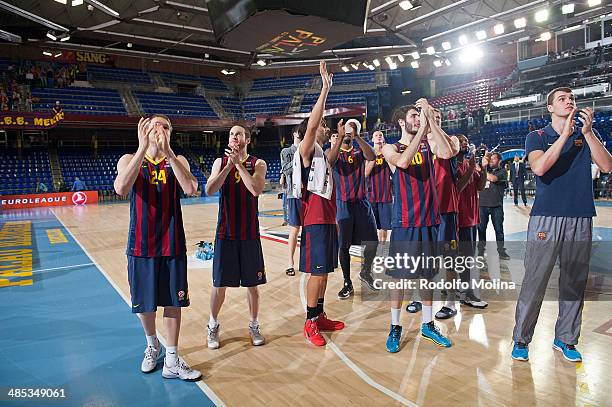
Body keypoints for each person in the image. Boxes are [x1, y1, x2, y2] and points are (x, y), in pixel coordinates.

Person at [512, 87, 612, 362]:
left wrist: (588, 132)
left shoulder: (586, 135)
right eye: (562, 99)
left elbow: (606, 166)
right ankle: (521, 339)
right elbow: (540, 168)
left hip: (580, 216)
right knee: (535, 280)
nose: (570, 102)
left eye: (572, 99)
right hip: (547, 217)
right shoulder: (538, 136)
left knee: (574, 282)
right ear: (550, 108)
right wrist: (565, 135)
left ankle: (565, 339)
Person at [113, 115, 201, 380]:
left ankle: (172, 359)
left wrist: (170, 153)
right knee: (145, 305)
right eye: (153, 125)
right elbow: (120, 188)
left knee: (174, 302)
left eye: (164, 126)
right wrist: (141, 148)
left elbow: (191, 188)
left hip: (172, 243)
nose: (158, 129)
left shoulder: (178, 161)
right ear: (144, 131)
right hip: (140, 244)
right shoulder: (129, 159)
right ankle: (152, 344)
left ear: (170, 132)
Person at [382, 99, 454, 353]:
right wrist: (423, 129)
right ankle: (395, 326)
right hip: (404, 222)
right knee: (400, 278)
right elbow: (401, 162)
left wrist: (431, 121)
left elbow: (447, 153)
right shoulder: (391, 147)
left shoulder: (430, 144)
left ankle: (427, 324)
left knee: (428, 276)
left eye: (418, 115)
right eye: (413, 116)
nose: (417, 119)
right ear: (402, 122)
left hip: (429, 221)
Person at [294, 61, 344, 346]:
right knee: (316, 272)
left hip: (327, 218)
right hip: (313, 218)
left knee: (324, 270)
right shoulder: (306, 148)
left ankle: (320, 314)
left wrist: (336, 140)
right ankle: (309, 322)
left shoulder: (321, 156)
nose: (324, 128)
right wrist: (324, 90)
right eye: (323, 126)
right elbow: (312, 124)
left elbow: (332, 159)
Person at [205, 124, 268, 350]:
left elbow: (256, 189)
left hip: (249, 234)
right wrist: (228, 166)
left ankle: (253, 324)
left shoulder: (257, 163)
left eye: (238, 134)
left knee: (253, 285)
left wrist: (238, 165)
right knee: (219, 284)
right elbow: (209, 189)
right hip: (225, 233)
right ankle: (212, 325)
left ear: (247, 140)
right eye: (231, 134)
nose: (234, 137)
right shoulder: (219, 162)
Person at [327, 117, 378, 299]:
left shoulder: (359, 151)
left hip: (362, 203)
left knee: (373, 242)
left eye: (353, 129)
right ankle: (347, 282)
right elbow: (329, 162)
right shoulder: (332, 151)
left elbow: (372, 156)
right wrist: (340, 138)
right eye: (347, 129)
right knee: (344, 245)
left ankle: (365, 272)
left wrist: (357, 137)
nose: (349, 132)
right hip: (343, 204)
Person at [453, 135, 489, 311]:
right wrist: (473, 163)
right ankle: (466, 293)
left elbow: (480, 186)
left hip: (471, 218)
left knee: (467, 257)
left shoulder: (469, 165)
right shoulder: (453, 164)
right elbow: (459, 186)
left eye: (466, 141)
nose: (465, 143)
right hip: (458, 219)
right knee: (462, 257)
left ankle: (460, 289)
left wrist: (483, 168)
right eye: (461, 141)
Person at [477, 152, 510, 260]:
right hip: (482, 205)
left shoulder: (502, 172)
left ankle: (501, 251)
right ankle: (481, 251)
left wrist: (482, 170)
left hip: (496, 206)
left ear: (499, 161)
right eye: (489, 159)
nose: (491, 160)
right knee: (481, 229)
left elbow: (493, 179)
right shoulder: (484, 170)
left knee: (499, 230)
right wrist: (480, 167)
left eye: (494, 159)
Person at [279, 126, 302, 275]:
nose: (300, 134)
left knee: (308, 229)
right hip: (293, 194)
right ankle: (290, 262)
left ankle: (307, 260)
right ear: (294, 133)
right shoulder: (286, 151)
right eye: (299, 131)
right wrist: (299, 157)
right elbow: (285, 169)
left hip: (308, 194)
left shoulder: (311, 150)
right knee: (295, 228)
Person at [365, 131, 393, 243]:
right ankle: (372, 251)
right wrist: (374, 157)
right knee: (371, 226)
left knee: (384, 227)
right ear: (372, 139)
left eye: (381, 135)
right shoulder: (368, 154)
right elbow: (365, 173)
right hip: (371, 195)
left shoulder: (389, 152)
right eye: (376, 135)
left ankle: (382, 251)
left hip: (386, 195)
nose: (379, 136)